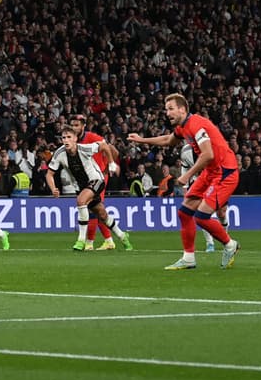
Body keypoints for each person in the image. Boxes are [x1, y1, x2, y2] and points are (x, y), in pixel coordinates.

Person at [128, 94, 240, 270]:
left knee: (202, 217)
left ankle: (230, 244)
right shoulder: (182, 127)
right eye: (166, 109)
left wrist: (187, 176)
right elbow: (167, 140)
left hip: (225, 172)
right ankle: (188, 258)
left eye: (171, 108)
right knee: (184, 212)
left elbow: (208, 154)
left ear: (183, 109)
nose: (167, 113)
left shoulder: (196, 124)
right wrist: (141, 140)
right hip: (211, 172)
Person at [46, 127, 133, 252]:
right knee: (102, 214)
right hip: (81, 187)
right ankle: (122, 236)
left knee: (81, 201)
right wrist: (53, 188)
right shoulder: (59, 154)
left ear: (75, 139)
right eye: (64, 137)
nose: (66, 140)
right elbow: (49, 174)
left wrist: (111, 163)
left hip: (96, 180)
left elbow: (103, 146)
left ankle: (81, 240)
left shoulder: (84, 148)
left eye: (69, 137)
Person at [72, 115, 121, 249]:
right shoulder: (73, 140)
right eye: (73, 125)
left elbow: (113, 150)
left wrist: (108, 165)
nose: (74, 128)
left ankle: (90, 243)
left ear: (83, 126)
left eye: (77, 125)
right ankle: (108, 240)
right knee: (96, 209)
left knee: (93, 207)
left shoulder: (92, 137)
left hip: (98, 177)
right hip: (88, 177)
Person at [180, 143, 230, 253]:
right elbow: (184, 167)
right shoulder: (185, 151)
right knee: (202, 213)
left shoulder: (211, 147)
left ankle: (225, 240)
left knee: (221, 213)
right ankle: (210, 243)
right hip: (200, 182)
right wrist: (185, 186)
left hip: (218, 180)